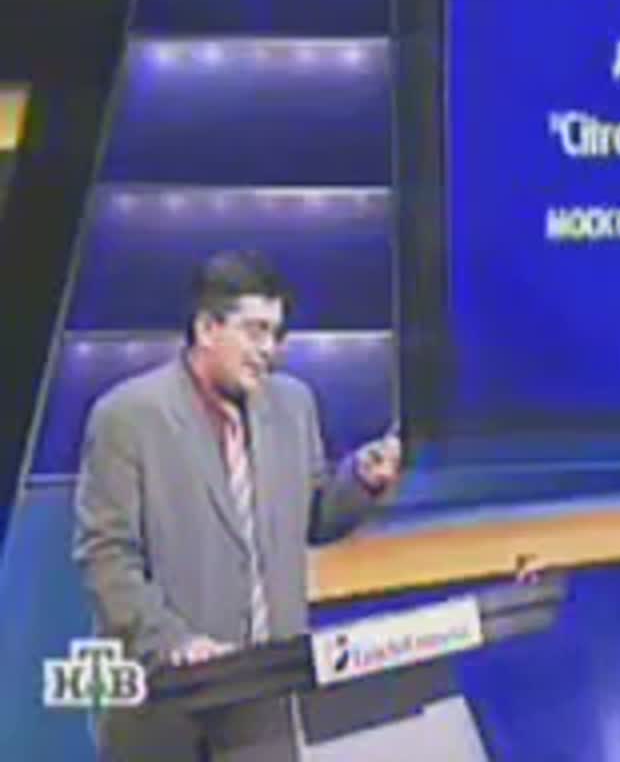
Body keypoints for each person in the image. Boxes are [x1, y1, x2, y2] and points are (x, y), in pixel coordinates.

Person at [72, 250, 402, 761]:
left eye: (276, 334)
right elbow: (106, 557)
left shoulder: (294, 405)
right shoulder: (128, 417)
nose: (269, 349)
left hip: (266, 701)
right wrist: (173, 642)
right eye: (255, 331)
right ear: (207, 328)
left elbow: (312, 517)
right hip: (166, 702)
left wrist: (360, 480)